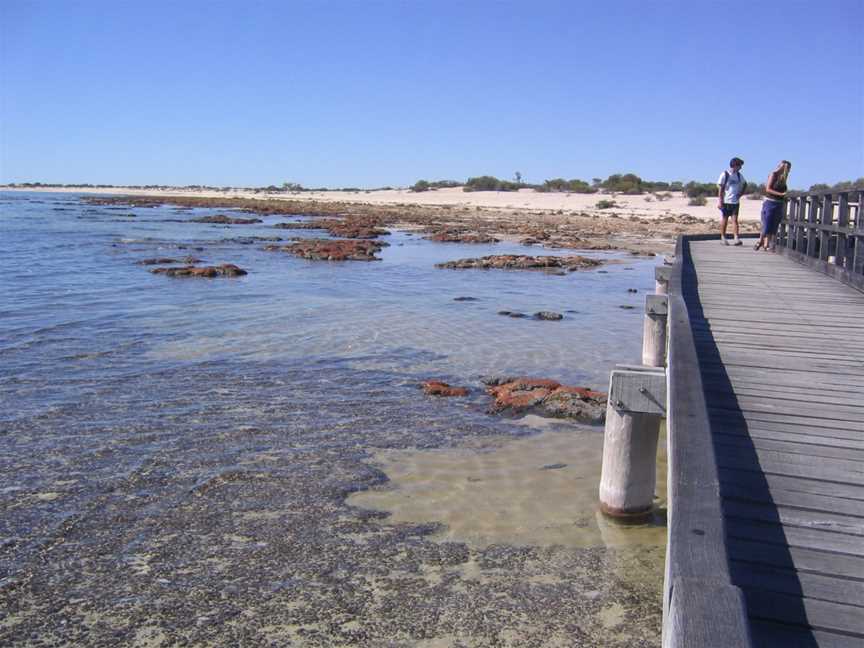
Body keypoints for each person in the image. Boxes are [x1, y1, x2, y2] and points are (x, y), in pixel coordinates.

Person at [754, 160, 791, 252]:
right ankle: (760, 241)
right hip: (770, 202)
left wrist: (784, 197)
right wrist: (781, 194)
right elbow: (768, 189)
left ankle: (766, 244)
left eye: (787, 168)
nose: (785, 169)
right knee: (766, 223)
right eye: (784, 167)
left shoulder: (784, 178)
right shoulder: (773, 174)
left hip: (779, 203)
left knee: (773, 224)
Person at [717, 157, 746, 245]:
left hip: (735, 202)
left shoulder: (739, 175)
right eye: (739, 165)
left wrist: (740, 194)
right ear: (735, 165)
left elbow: (745, 184)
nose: (741, 168)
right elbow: (720, 189)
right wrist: (720, 201)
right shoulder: (725, 174)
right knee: (724, 219)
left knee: (735, 220)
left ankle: (736, 238)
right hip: (726, 201)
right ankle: (723, 237)